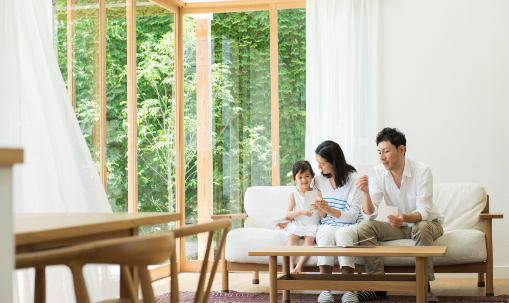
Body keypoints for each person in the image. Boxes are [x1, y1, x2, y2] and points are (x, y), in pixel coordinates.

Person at [355, 128, 444, 303]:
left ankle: (424, 287)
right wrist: (365, 193)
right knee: (365, 227)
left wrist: (404, 217)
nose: (382, 157)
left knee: (422, 226)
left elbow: (424, 211)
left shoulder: (422, 170)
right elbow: (370, 215)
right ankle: (377, 287)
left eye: (386, 151)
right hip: (399, 225)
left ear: (401, 150)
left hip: (427, 223)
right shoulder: (378, 172)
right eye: (379, 152)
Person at [312, 141, 364, 303]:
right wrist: (320, 208)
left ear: (334, 162)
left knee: (342, 233)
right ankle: (325, 289)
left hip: (350, 224)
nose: (319, 168)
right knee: (326, 232)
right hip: (328, 223)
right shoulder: (319, 180)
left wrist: (328, 209)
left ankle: (349, 290)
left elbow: (352, 216)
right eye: (318, 163)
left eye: (322, 164)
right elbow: (323, 217)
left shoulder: (354, 179)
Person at [284, 160, 323, 274]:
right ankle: (290, 266)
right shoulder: (294, 194)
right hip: (298, 223)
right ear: (294, 179)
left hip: (311, 224)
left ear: (312, 176)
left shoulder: (317, 193)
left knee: (309, 239)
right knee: (292, 237)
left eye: (307, 176)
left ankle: (299, 265)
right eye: (300, 177)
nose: (304, 180)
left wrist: (318, 206)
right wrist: (301, 211)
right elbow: (288, 214)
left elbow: (321, 213)